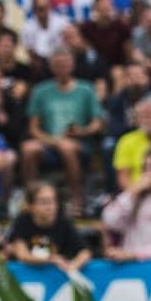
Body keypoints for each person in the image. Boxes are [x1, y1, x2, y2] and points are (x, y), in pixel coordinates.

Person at [21, 48, 102, 210]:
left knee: (67, 147)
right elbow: (33, 128)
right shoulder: (40, 90)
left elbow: (97, 123)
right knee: (28, 148)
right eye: (57, 65)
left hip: (78, 142)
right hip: (48, 141)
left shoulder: (86, 89)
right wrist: (52, 141)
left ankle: (77, 197)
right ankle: (30, 198)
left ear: (72, 65)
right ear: (51, 67)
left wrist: (81, 131)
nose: (62, 68)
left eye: (65, 64)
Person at [79, 0, 133, 74]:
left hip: (117, 66)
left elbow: (128, 49)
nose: (105, 11)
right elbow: (84, 48)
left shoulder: (122, 27)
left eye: (108, 7)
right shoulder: (86, 28)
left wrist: (127, 66)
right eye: (102, 8)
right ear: (95, 9)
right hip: (95, 66)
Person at [21, 0, 66, 64]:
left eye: (46, 7)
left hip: (60, 59)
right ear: (34, 10)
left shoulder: (62, 23)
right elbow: (29, 49)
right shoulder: (28, 27)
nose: (44, 11)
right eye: (40, 9)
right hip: (39, 62)